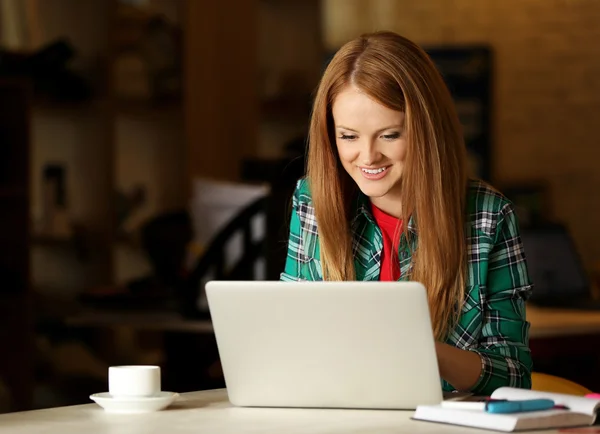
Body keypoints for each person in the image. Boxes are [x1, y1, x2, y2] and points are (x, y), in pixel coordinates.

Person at [280, 31, 533, 396]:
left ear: (427, 131)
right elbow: (290, 340)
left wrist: (421, 351)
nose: (367, 157)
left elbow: (513, 373)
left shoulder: (487, 215)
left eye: (389, 135)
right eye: (348, 137)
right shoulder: (312, 201)